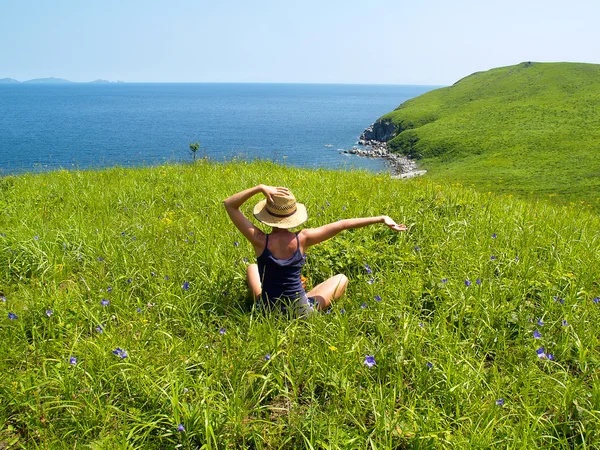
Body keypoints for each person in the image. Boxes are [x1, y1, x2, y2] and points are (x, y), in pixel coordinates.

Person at [223, 184, 407, 316]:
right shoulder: (304, 238)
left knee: (251, 268)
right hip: (300, 312)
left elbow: (229, 204)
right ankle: (301, 294)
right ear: (293, 215)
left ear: (267, 215)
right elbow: (343, 224)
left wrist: (259, 188)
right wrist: (382, 218)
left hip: (266, 310)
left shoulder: (258, 240)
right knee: (341, 279)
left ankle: (283, 297)